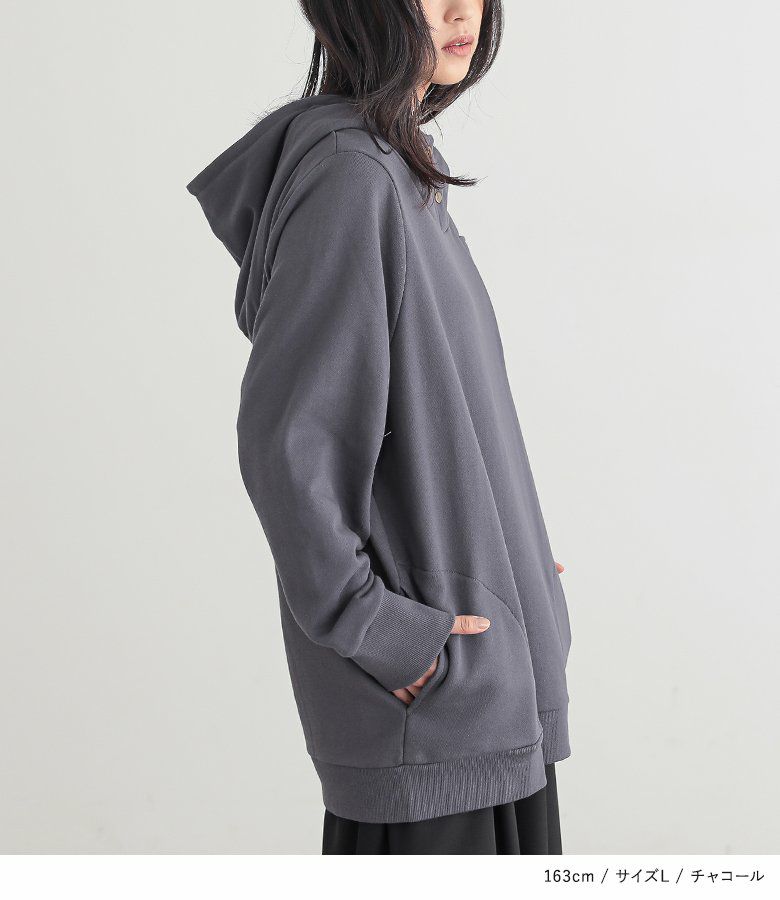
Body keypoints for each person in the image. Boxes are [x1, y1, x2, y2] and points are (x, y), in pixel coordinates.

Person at [186, 0, 573, 855]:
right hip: (436, 718)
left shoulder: (403, 170)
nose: (461, 9)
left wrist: (509, 560)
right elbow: (290, 448)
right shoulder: (351, 180)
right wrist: (384, 635)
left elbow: (443, 417)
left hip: (484, 692)